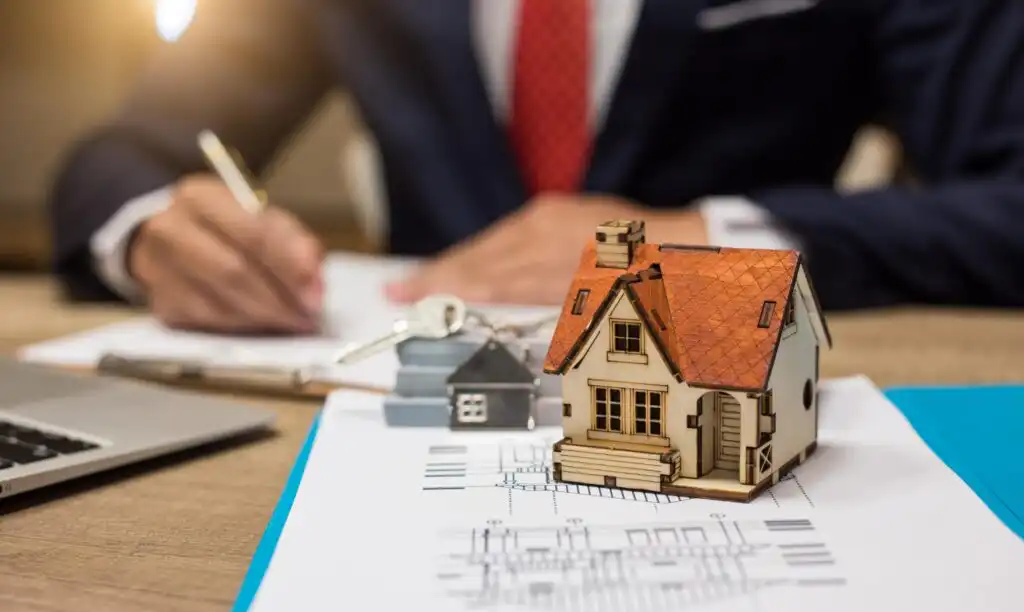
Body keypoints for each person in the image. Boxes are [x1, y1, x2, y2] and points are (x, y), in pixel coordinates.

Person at [50, 0, 1024, 334]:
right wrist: (149, 229)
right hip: (402, 399)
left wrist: (713, 243)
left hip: (733, 369)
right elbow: (120, 154)